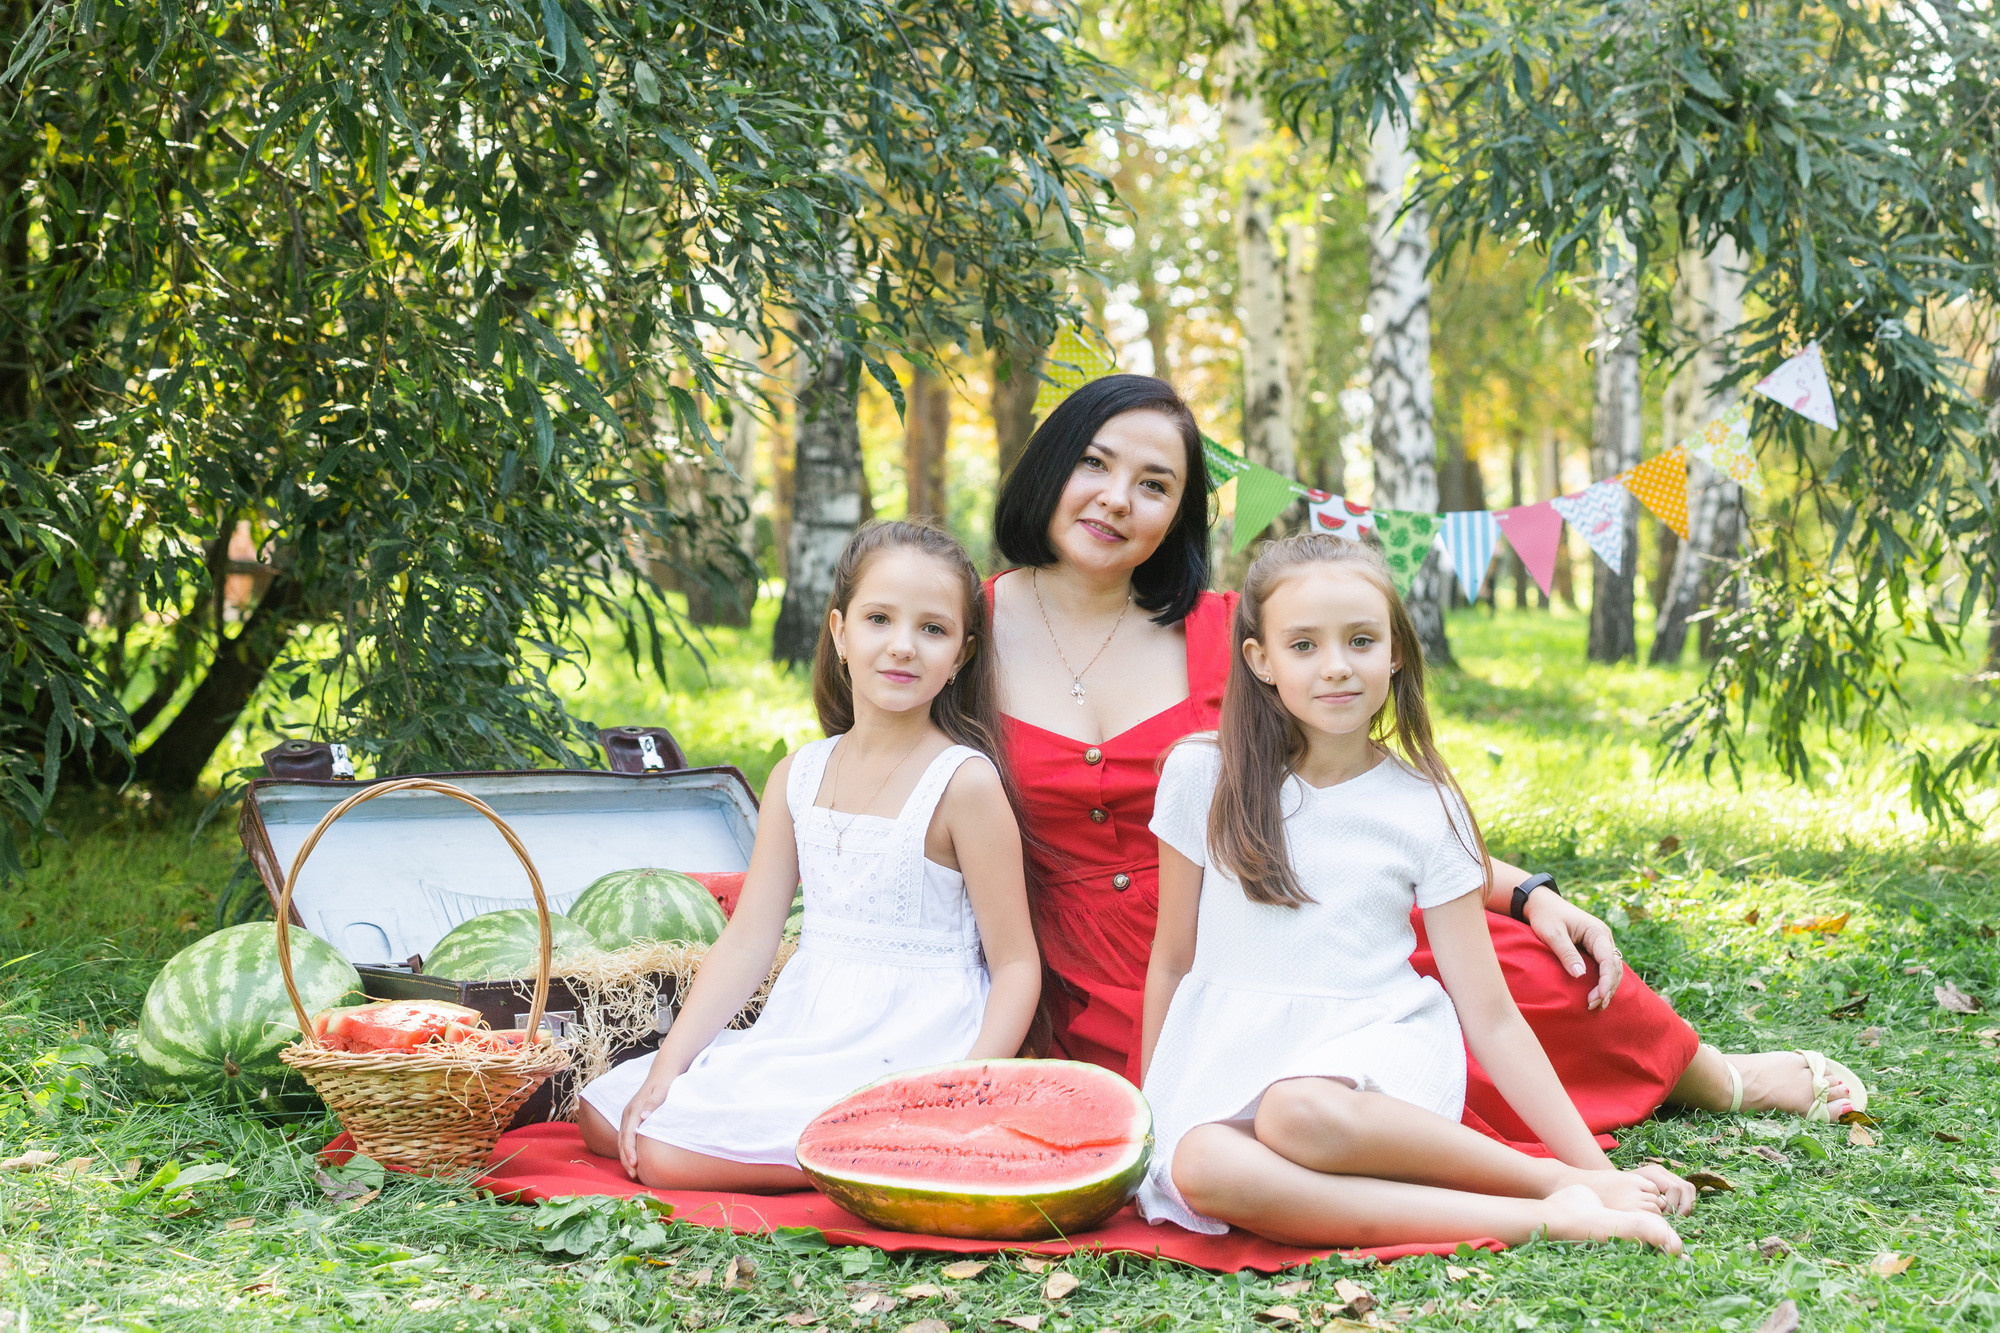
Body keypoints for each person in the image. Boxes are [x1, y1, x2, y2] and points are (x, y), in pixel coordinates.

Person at [986, 373, 1861, 1155]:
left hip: (1290, 903)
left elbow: (1352, 808)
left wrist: (1524, 888)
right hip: (1099, 967)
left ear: (1180, 513)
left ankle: (1711, 1074)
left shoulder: (1237, 634)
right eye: (1094, 465)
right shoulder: (963, 629)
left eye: (1155, 485)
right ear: (1050, 466)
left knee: (1523, 966)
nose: (1115, 500)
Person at [1139, 533, 1682, 1250]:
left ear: (1395, 650)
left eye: (1361, 640)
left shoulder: (1424, 804)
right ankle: (1550, 1216)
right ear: (1260, 660)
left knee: (1296, 1111)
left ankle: (1554, 1183)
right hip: (1227, 1045)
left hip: (1374, 1052)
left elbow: (1491, 1016)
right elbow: (1173, 960)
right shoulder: (1200, 774)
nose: (1336, 667)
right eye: (1303, 645)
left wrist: (1588, 1161)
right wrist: (1145, 1108)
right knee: (1202, 1163)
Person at [578, 521, 1040, 1191]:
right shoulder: (798, 773)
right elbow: (749, 938)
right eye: (879, 618)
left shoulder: (962, 782)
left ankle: (865, 1149)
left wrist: (964, 1089)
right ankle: (822, 1142)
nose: (902, 646)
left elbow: (1017, 962)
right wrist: (669, 1063)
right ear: (840, 630)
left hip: (912, 1037)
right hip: (808, 1024)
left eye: (933, 629)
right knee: (604, 1110)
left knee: (662, 1156)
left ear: (962, 654)